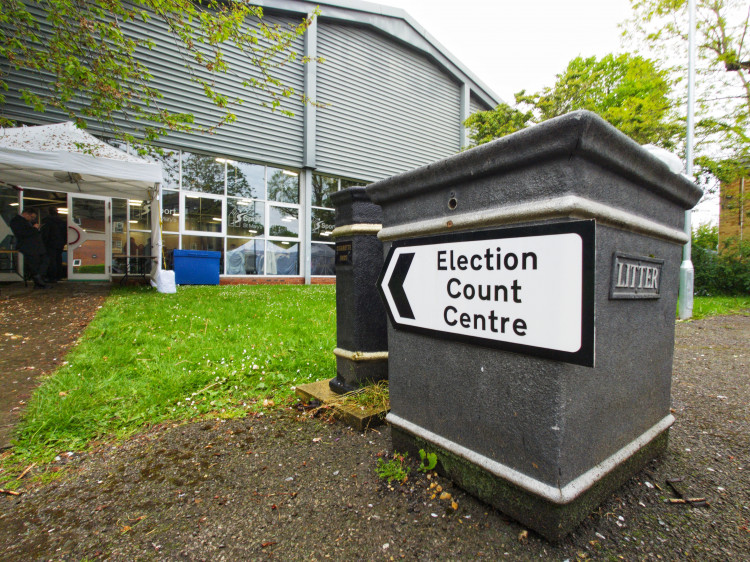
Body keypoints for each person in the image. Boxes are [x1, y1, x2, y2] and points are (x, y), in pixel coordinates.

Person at [10, 209, 51, 289]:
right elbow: (23, 233)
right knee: (35, 263)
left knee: (41, 262)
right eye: (32, 217)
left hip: (34, 246)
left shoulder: (24, 222)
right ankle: (39, 281)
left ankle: (38, 281)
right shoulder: (17, 221)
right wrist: (35, 229)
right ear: (26, 214)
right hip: (29, 246)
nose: (32, 219)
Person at [41, 207, 67, 281]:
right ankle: (59, 275)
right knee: (58, 259)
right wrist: (63, 242)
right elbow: (65, 234)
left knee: (51, 260)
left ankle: (52, 277)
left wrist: (43, 242)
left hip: (50, 243)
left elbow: (45, 233)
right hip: (60, 243)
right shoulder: (62, 222)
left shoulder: (47, 221)